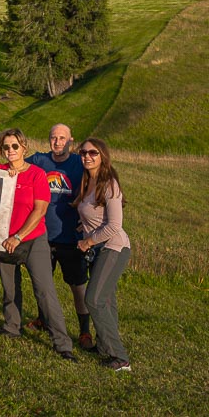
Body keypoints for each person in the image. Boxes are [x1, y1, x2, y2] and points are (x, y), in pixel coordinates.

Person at [0, 129, 77, 360]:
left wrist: (18, 236)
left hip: (31, 240)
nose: (11, 151)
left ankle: (62, 343)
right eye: (6, 147)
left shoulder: (37, 175)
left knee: (44, 292)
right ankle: (12, 327)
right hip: (2, 240)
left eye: (15, 146)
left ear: (24, 148)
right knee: (10, 289)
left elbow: (40, 210)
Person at [24, 124, 93, 348]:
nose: (57, 142)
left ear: (71, 140)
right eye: (54, 138)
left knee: (77, 285)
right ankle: (43, 319)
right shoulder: (39, 161)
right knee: (42, 282)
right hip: (43, 234)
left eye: (62, 138)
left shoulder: (78, 164)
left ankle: (84, 331)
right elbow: (18, 164)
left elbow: (98, 181)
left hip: (71, 237)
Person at [74, 137, 132, 372]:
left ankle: (120, 357)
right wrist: (83, 227)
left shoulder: (109, 184)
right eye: (83, 152)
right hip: (98, 248)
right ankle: (105, 347)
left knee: (94, 299)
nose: (87, 156)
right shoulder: (88, 181)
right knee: (106, 300)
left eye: (93, 153)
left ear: (103, 156)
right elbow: (96, 217)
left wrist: (88, 240)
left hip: (113, 247)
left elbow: (114, 225)